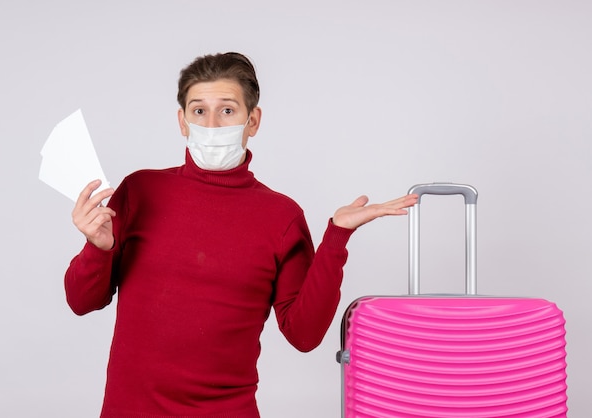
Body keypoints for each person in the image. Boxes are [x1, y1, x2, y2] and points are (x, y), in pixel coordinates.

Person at [65, 52, 418, 418]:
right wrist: (98, 248)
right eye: (199, 111)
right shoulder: (139, 191)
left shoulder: (280, 216)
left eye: (228, 110)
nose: (213, 124)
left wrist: (337, 237)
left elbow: (304, 335)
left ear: (253, 121)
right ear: (182, 121)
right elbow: (82, 301)